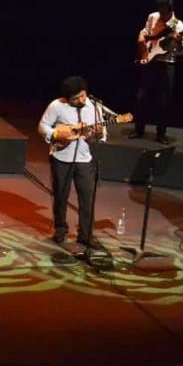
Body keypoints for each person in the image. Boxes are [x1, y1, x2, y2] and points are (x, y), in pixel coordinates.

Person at [38, 76, 105, 246]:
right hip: (61, 157)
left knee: (87, 198)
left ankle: (86, 235)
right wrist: (56, 134)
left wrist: (97, 134)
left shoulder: (94, 107)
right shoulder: (56, 106)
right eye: (76, 98)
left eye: (83, 95)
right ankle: (60, 229)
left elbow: (102, 134)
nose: (81, 100)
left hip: (85, 159)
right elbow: (42, 126)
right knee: (61, 195)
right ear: (67, 98)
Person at [130, 0, 183, 144]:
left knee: (164, 101)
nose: (160, 14)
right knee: (142, 96)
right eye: (159, 10)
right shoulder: (152, 16)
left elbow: (181, 51)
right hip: (149, 60)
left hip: (166, 64)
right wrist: (141, 37)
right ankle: (138, 129)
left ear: (170, 10)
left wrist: (178, 42)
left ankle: (161, 134)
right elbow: (146, 31)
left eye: (163, 12)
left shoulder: (177, 25)